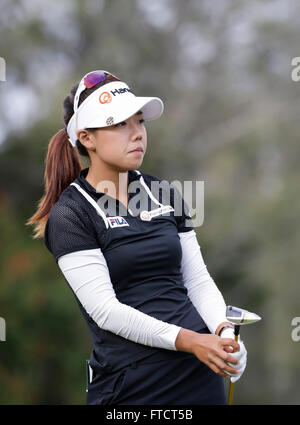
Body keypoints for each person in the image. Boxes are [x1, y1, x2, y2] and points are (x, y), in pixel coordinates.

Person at [27, 70, 247, 405]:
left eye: (140, 122)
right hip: (132, 386)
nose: (137, 134)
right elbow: (106, 311)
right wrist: (193, 341)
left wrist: (223, 335)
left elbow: (197, 280)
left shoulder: (164, 192)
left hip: (199, 375)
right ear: (87, 138)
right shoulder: (71, 214)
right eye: (120, 124)